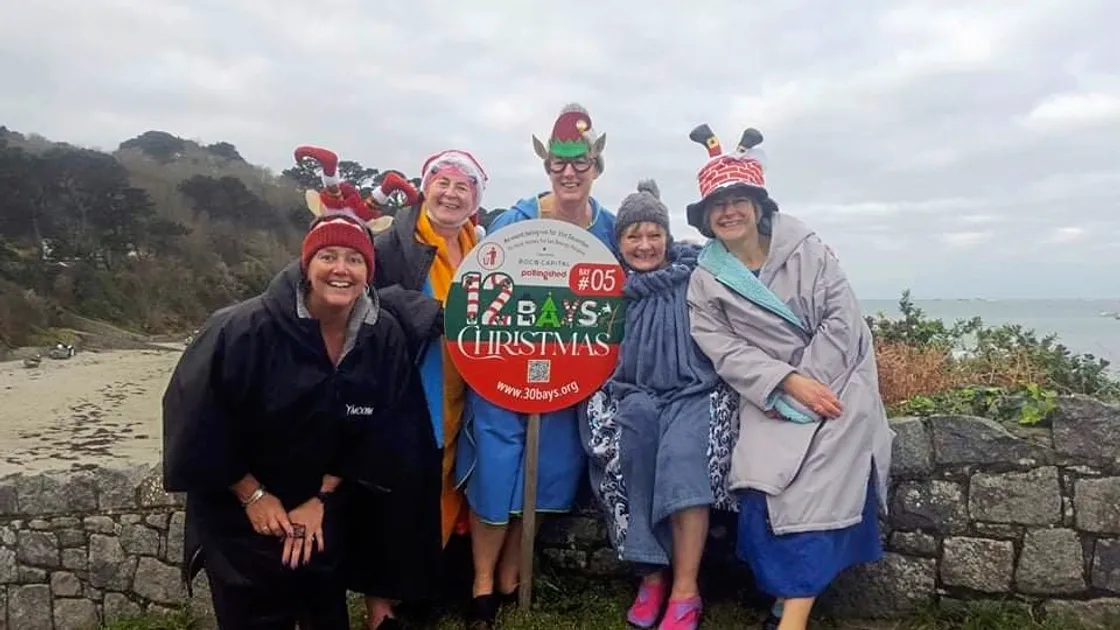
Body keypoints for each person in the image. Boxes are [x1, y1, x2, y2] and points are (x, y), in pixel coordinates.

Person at [161, 161, 429, 630]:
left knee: (324, 614)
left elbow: (381, 430)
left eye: (355, 259)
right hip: (240, 514)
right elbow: (197, 419)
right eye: (329, 257)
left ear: (369, 270)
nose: (341, 269)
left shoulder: (381, 335)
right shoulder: (239, 330)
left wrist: (321, 497)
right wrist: (253, 495)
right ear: (307, 264)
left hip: (320, 512)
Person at [682, 125, 894, 630]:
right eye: (717, 205)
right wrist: (787, 383)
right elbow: (723, 347)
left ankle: (792, 619)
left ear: (758, 206)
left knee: (824, 481)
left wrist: (813, 382)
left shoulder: (807, 249)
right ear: (706, 218)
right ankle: (785, 597)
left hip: (840, 382)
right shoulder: (705, 280)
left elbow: (842, 319)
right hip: (771, 393)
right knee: (765, 482)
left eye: (738, 200)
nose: (728, 212)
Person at [454, 102, 616, 628]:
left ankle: (511, 570)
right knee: (496, 466)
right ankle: (482, 583)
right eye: (558, 164)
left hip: (571, 373)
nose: (569, 173)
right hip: (503, 367)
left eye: (580, 163)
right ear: (547, 166)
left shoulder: (610, 229)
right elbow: (478, 292)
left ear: (595, 167)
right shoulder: (514, 222)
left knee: (552, 469)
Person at [581, 180, 739, 630]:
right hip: (633, 393)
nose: (645, 245)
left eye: (654, 234)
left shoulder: (699, 272)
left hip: (695, 390)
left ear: (667, 236)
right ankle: (651, 575)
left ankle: (686, 589)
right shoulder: (608, 285)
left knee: (684, 458)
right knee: (632, 451)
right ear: (619, 240)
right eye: (634, 235)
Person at [365, 148, 490, 628]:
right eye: (443, 183)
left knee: (450, 478)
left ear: (475, 198)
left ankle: (428, 583)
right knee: (403, 484)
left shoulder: (481, 247)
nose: (451, 194)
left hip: (466, 383)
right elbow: (369, 293)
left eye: (463, 187)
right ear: (425, 188)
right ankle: (388, 599)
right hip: (413, 380)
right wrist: (429, 314)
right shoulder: (393, 242)